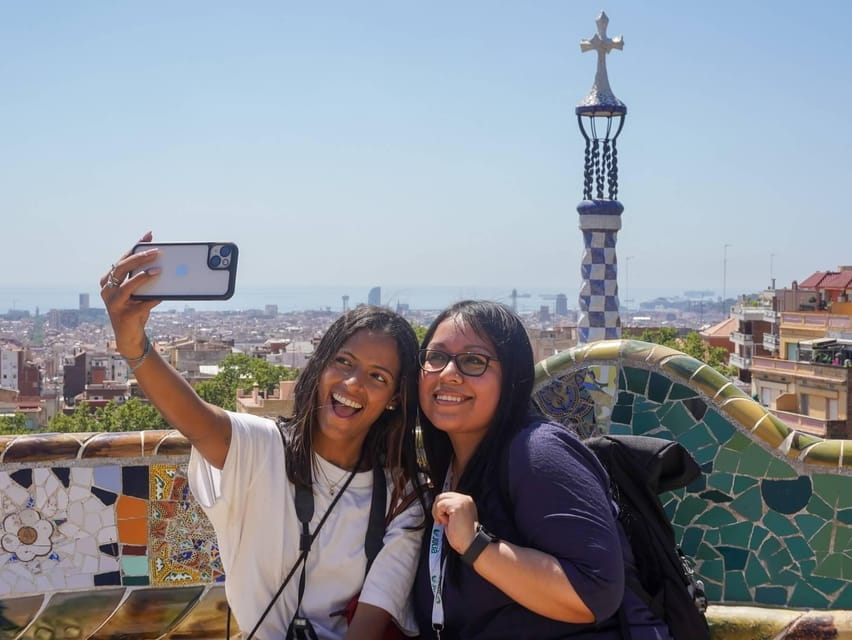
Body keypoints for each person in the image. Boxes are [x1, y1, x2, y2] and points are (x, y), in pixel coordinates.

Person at [100, 234, 427, 640]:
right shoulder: (263, 451)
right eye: (343, 362)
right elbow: (197, 419)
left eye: (377, 376)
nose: (353, 383)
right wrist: (133, 345)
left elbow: (372, 620)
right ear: (321, 365)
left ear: (395, 397)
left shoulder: (402, 496)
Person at [412, 300, 672, 639]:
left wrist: (476, 545)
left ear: (513, 378)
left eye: (474, 361)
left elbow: (595, 593)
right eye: (436, 357)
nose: (448, 373)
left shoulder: (537, 452)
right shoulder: (447, 469)